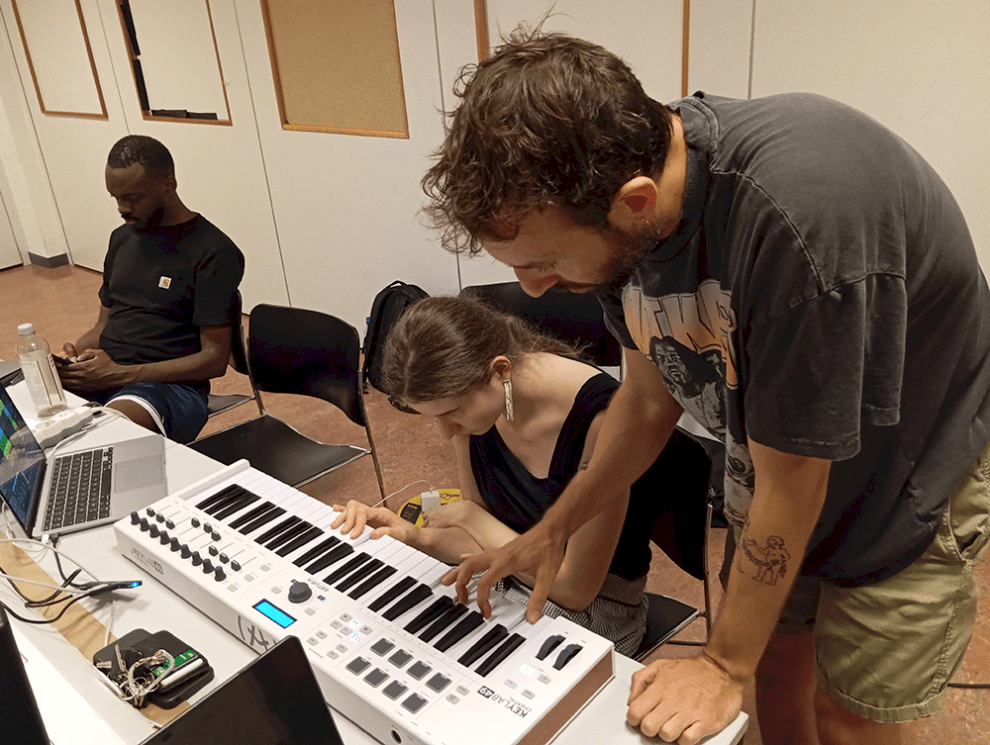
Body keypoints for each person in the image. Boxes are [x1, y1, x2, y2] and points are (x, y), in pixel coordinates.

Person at [421, 29, 990, 745]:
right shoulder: (624, 216)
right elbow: (645, 402)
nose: (531, 288)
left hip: (902, 474)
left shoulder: (798, 218)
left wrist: (721, 664)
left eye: (543, 263)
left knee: (846, 717)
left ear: (634, 201)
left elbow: (795, 481)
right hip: (777, 465)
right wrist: (552, 530)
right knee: (775, 674)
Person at [330, 295, 684, 656]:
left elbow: (573, 591)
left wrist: (471, 516)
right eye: (433, 417)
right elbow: (479, 541)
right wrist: (416, 537)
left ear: (500, 371)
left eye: (451, 413)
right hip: (508, 574)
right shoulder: (477, 409)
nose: (446, 433)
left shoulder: (601, 420)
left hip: (594, 610)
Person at [57, 135, 244, 444]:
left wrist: (120, 374)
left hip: (171, 388)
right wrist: (74, 358)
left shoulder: (213, 251)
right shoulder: (121, 238)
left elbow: (214, 360)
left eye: (132, 198)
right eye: (115, 198)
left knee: (107, 437)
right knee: (23, 415)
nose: (122, 208)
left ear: (169, 184)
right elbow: (102, 326)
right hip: (109, 373)